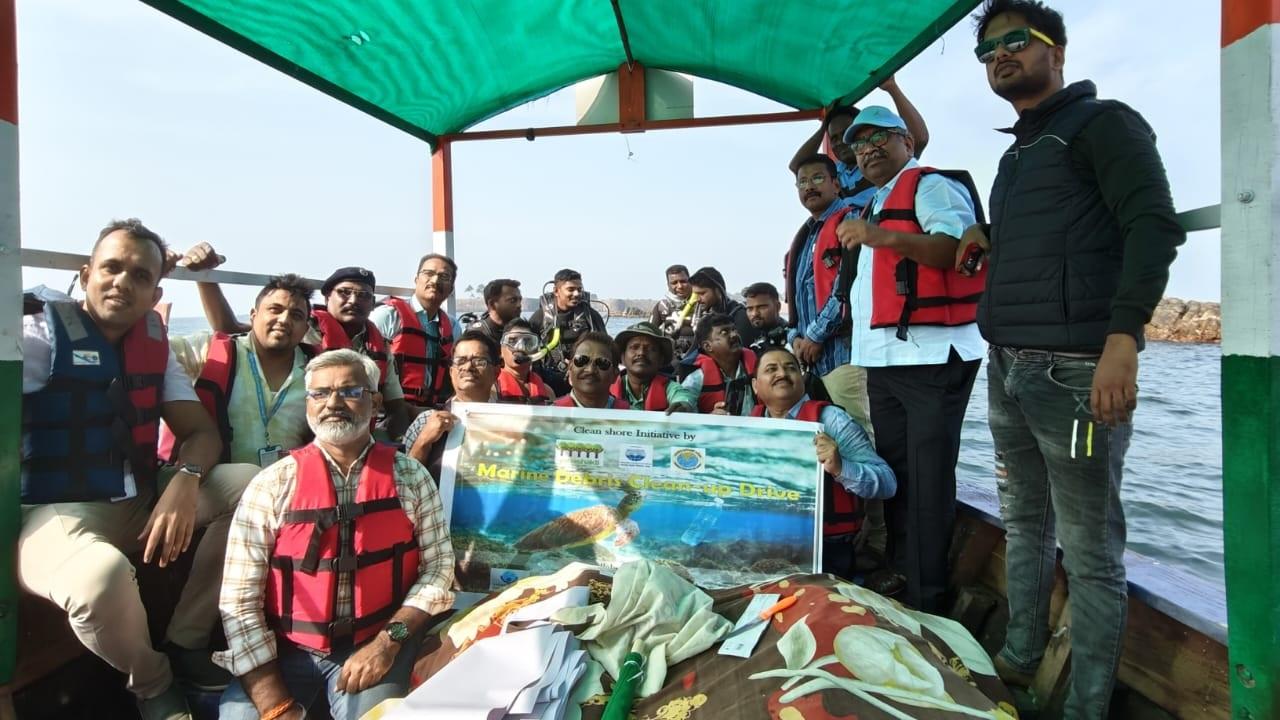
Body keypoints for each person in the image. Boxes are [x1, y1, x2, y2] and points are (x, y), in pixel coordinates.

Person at [960, 2, 1184, 715]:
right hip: (1007, 369)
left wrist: (1125, 339)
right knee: (1024, 523)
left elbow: (1152, 225)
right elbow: (1062, 230)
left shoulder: (1102, 124)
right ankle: (1018, 660)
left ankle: (1084, 707)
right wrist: (990, 235)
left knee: (1090, 554)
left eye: (1015, 42)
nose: (1000, 55)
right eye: (988, 49)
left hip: (1078, 371)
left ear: (1055, 48)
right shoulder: (1017, 154)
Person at [19, 219, 242, 720]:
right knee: (99, 577)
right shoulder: (33, 333)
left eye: (140, 276)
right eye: (111, 268)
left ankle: (187, 639)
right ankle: (154, 683)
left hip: (140, 498)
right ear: (85, 274)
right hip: (59, 510)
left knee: (254, 485)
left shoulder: (153, 347)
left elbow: (201, 433)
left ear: (156, 291)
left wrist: (184, 480)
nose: (122, 282)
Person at [216, 349, 455, 720]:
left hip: (379, 638)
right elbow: (238, 598)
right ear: (308, 403)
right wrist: (275, 705)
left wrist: (388, 642)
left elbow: (439, 567)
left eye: (350, 391)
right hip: (287, 649)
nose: (333, 403)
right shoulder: (272, 484)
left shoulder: (410, 477)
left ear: (374, 401)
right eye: (320, 393)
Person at [835, 105, 987, 613]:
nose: (868, 149)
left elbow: (954, 249)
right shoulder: (874, 201)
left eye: (880, 137)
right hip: (885, 360)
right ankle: (901, 575)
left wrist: (879, 237)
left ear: (907, 140)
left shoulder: (931, 185)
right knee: (897, 473)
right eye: (858, 144)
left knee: (928, 479)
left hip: (931, 357)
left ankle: (929, 602)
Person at [194, 257, 412, 439]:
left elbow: (397, 407)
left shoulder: (380, 346)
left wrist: (397, 444)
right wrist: (204, 278)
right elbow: (236, 329)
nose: (354, 300)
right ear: (328, 297)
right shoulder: (303, 330)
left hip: (361, 434)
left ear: (373, 303)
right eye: (344, 292)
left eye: (363, 295)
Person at [750, 347, 896, 579]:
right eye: (771, 369)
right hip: (766, 541)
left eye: (791, 368)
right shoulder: (750, 423)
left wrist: (840, 467)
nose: (782, 373)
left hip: (828, 545)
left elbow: (887, 483)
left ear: (802, 379)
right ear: (756, 386)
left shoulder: (832, 421)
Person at [166, 272, 316, 469]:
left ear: (305, 329)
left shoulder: (317, 369)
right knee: (241, 475)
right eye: (275, 310)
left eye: (296, 315)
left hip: (287, 487)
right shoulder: (213, 351)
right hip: (218, 484)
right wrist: (158, 270)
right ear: (253, 316)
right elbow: (153, 351)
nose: (284, 320)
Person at [785, 154, 871, 431]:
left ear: (836, 184)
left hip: (845, 357)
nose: (809, 186)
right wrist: (795, 337)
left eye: (818, 178)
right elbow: (799, 300)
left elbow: (848, 286)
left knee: (864, 431)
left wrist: (814, 335)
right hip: (812, 360)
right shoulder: (808, 233)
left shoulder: (852, 221)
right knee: (827, 435)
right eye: (802, 182)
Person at [788, 76, 931, 209]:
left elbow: (919, 139)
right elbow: (797, 166)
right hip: (850, 232)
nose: (840, 143)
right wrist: (824, 126)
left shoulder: (879, 161)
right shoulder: (836, 172)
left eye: (846, 134)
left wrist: (892, 88)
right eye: (834, 138)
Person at [402, 331, 502, 480]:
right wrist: (423, 442)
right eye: (460, 361)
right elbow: (403, 482)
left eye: (479, 361)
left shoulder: (511, 421)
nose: (468, 367)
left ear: (496, 372)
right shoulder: (425, 421)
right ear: (451, 372)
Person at [369, 254, 459, 410]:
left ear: (451, 289)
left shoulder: (453, 326)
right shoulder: (388, 316)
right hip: (388, 411)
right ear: (416, 280)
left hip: (432, 410)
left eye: (444, 276)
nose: (435, 280)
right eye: (428, 273)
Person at [529, 268, 607, 396]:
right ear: (556, 291)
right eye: (571, 289)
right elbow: (530, 351)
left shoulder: (591, 317)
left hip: (584, 379)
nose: (576, 294)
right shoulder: (540, 317)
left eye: (579, 289)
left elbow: (606, 349)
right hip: (548, 380)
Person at [608, 322, 697, 412]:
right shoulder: (606, 386)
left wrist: (683, 405)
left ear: (660, 360)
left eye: (650, 349)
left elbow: (684, 397)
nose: (641, 353)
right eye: (634, 347)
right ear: (622, 357)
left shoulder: (669, 388)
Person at [680, 313, 757, 416]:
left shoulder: (758, 368)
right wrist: (710, 418)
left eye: (734, 329)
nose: (734, 335)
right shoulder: (697, 378)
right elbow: (684, 402)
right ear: (708, 346)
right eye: (724, 332)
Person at [687, 266, 758, 349]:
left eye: (702, 294)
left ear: (718, 291)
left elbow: (739, 351)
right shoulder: (706, 317)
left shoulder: (739, 316)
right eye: (695, 294)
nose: (697, 299)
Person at [553, 332, 629, 409]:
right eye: (581, 360)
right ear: (570, 368)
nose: (590, 370)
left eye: (602, 362)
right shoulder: (549, 414)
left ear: (615, 375)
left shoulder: (632, 415)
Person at [494, 319, 556, 405]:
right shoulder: (491, 389)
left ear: (536, 350)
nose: (520, 347)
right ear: (501, 350)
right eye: (512, 341)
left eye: (528, 342)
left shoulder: (548, 392)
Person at [650, 264, 696, 357]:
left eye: (683, 281)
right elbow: (649, 334)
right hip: (670, 355)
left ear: (690, 281)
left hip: (697, 353)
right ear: (668, 285)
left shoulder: (702, 303)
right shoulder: (662, 307)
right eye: (674, 283)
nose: (679, 286)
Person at [465, 278, 522, 343]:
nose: (519, 305)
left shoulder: (523, 331)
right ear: (492, 304)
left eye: (520, 300)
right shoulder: (476, 336)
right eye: (512, 300)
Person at [742, 282, 788, 352]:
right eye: (750, 309)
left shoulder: (793, 339)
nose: (755, 314)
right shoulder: (749, 342)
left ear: (778, 307)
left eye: (761, 307)